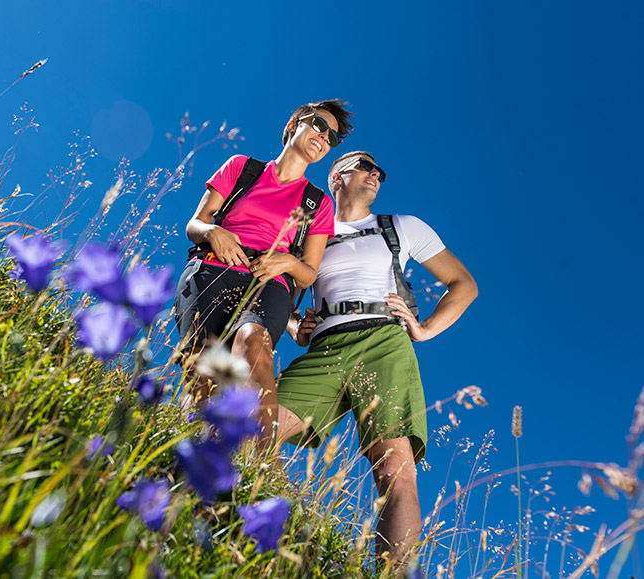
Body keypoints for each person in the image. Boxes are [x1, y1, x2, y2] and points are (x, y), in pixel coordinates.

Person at [275, 151, 478, 566]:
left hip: (383, 340)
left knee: (394, 469)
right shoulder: (309, 234)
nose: (375, 174)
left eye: (379, 172)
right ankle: (284, 538)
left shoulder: (401, 226)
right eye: (365, 166)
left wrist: (424, 329)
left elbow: (463, 284)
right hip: (325, 347)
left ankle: (394, 574)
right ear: (337, 176)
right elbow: (283, 298)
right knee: (257, 424)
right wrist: (296, 326)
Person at [174, 100, 353, 447]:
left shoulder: (317, 203)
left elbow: (309, 273)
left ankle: (261, 464)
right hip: (212, 268)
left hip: (269, 283)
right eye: (319, 125)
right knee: (203, 376)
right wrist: (213, 232)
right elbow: (195, 224)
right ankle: (191, 458)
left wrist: (287, 263)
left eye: (331, 138)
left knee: (254, 341)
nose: (323, 138)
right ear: (294, 124)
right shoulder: (242, 168)